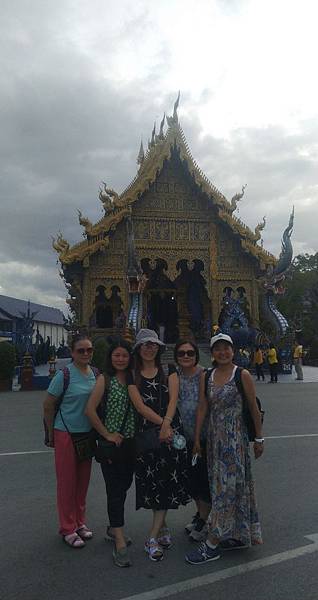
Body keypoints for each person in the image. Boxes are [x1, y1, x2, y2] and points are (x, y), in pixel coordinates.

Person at [186, 333, 263, 565]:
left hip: (235, 440)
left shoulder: (243, 375)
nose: (222, 352)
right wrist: (198, 439)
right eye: (218, 349)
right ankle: (237, 534)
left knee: (227, 490)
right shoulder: (206, 376)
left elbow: (252, 407)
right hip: (214, 439)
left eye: (226, 348)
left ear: (233, 350)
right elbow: (202, 407)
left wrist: (258, 438)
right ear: (212, 353)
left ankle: (212, 543)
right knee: (222, 487)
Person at [130, 328, 190, 562]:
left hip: (170, 432)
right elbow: (140, 407)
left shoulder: (169, 370)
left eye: (153, 344)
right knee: (155, 482)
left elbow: (173, 398)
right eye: (145, 344)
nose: (149, 348)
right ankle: (162, 528)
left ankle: (152, 536)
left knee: (166, 481)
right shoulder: (132, 375)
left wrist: (166, 424)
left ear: (159, 348)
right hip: (148, 436)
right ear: (138, 349)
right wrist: (162, 424)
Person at [85, 337, 135, 567]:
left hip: (131, 444)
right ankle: (120, 540)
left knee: (123, 487)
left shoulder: (135, 379)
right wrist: (106, 434)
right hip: (111, 445)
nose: (121, 359)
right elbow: (90, 410)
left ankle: (113, 527)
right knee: (114, 489)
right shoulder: (104, 379)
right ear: (110, 357)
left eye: (125, 355)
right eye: (117, 355)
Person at [43, 334, 97, 548]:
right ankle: (67, 527)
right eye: (81, 350)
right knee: (67, 483)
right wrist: (50, 434)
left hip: (87, 434)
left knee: (82, 482)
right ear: (72, 352)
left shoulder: (95, 373)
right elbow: (48, 404)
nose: (86, 354)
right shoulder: (64, 375)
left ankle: (79, 522)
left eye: (89, 350)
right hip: (65, 432)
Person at [174, 339, 211, 542]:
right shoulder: (176, 376)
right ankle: (201, 515)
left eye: (190, 353)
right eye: (182, 353)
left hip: (203, 437)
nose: (186, 356)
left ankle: (205, 521)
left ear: (196, 355)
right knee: (192, 479)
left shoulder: (204, 375)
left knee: (202, 478)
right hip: (184, 438)